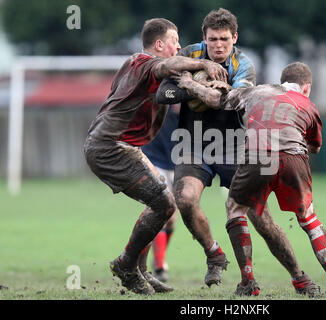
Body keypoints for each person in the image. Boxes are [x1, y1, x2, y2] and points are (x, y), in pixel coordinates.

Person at [175, 62, 326, 297]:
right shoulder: (309, 105)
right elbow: (315, 147)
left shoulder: (256, 91)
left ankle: (248, 281)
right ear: (306, 87)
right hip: (293, 158)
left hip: (257, 155)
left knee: (236, 209)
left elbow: (215, 100)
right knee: (308, 218)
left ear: (281, 80)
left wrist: (189, 84)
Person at [83, 18, 227, 295]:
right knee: (164, 203)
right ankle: (126, 266)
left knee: (160, 201)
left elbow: (167, 86)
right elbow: (167, 66)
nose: (179, 46)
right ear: (159, 44)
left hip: (117, 145)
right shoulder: (146, 62)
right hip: (110, 146)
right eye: (175, 41)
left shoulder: (135, 65)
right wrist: (203, 64)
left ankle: (142, 270)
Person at [155, 8, 256, 287]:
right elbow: (163, 94)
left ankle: (279, 277)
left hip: (233, 147)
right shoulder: (188, 55)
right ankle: (214, 254)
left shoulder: (244, 65)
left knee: (259, 214)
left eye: (224, 39)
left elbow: (225, 102)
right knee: (185, 200)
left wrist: (192, 85)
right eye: (213, 39)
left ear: (234, 37)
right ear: (204, 38)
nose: (218, 45)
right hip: (192, 145)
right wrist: (195, 81)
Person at [138, 105, 180, 283]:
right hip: (155, 160)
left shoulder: (194, 98)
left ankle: (153, 260)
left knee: (172, 220)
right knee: (163, 210)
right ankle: (157, 266)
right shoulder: (162, 93)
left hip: (179, 162)